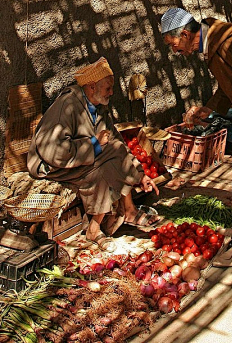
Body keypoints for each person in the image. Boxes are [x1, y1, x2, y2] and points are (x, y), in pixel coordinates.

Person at [27, 57, 160, 252]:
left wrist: (140, 174)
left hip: (81, 159)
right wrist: (93, 143)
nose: (112, 92)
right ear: (91, 87)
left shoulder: (99, 107)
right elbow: (52, 150)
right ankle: (119, 216)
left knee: (110, 159)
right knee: (109, 158)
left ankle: (95, 228)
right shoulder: (68, 105)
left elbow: (117, 142)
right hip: (53, 166)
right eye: (108, 88)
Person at [161, 7, 232, 267]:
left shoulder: (230, 43)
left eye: (174, 45)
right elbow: (229, 85)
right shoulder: (212, 45)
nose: (175, 51)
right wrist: (209, 108)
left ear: (185, 34)